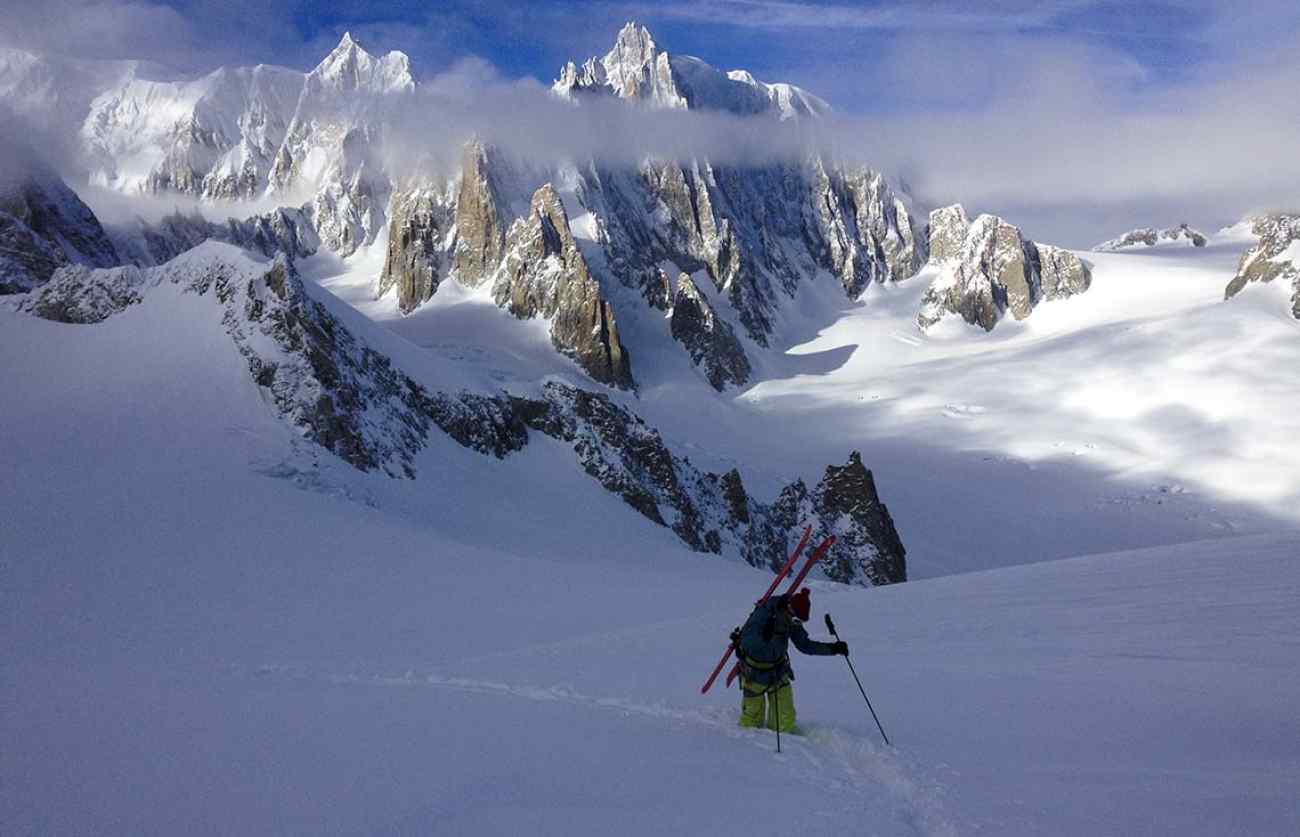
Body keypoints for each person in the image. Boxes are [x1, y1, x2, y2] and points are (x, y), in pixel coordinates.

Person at [732, 587, 847, 733]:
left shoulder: (792, 620)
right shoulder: (764, 613)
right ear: (789, 607)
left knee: (785, 720)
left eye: (800, 621)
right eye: (796, 618)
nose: (797, 623)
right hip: (753, 674)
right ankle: (752, 750)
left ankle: (789, 750)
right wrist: (765, 639)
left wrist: (833, 649)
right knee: (752, 720)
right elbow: (747, 642)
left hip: (778, 672)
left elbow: (804, 645)